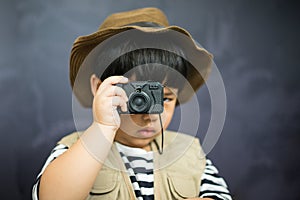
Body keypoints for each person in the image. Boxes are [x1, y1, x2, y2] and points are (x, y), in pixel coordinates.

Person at [32, 7, 232, 200]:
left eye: (165, 99)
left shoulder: (189, 152)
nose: (150, 115)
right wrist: (102, 128)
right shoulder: (75, 149)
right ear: (100, 88)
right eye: (138, 98)